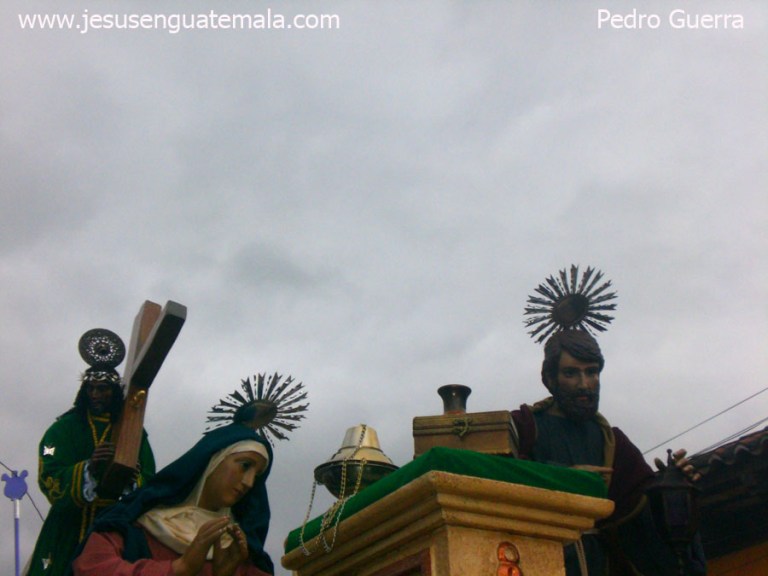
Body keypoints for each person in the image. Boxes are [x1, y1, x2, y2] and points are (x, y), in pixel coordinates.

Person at [511, 329, 706, 576]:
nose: (584, 384)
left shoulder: (612, 441)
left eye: (592, 372)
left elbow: (642, 513)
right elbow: (501, 478)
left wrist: (674, 487)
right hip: (539, 560)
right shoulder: (524, 428)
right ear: (550, 378)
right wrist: (567, 479)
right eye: (571, 373)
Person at [27, 330, 156, 576]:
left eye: (103, 389)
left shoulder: (132, 431)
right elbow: (48, 475)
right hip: (70, 526)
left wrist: (133, 478)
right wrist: (88, 468)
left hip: (117, 526)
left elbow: (150, 476)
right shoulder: (63, 429)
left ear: (115, 391)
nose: (96, 395)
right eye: (91, 388)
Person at [71, 423, 275, 576]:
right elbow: (90, 568)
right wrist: (179, 568)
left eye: (257, 476)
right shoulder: (134, 523)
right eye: (245, 465)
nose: (249, 483)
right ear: (214, 460)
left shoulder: (239, 550)